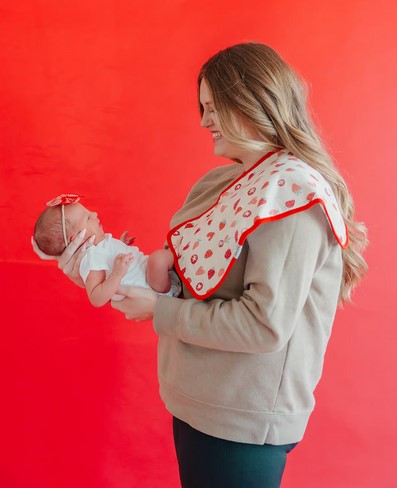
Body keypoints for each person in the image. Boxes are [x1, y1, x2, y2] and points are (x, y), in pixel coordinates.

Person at [32, 43, 368, 487]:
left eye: (213, 107)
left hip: (238, 419)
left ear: (248, 102)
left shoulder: (291, 198)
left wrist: (158, 310)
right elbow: (193, 279)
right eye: (203, 107)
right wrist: (108, 267)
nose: (204, 121)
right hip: (196, 401)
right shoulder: (224, 180)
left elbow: (263, 325)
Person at [33, 194, 180, 307]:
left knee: (162, 257)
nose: (95, 214)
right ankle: (181, 268)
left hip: (150, 277)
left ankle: (185, 263)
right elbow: (96, 298)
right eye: (88, 218)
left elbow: (109, 261)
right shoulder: (91, 258)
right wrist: (116, 274)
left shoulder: (100, 246)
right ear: (76, 238)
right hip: (151, 288)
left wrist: (121, 245)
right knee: (159, 259)